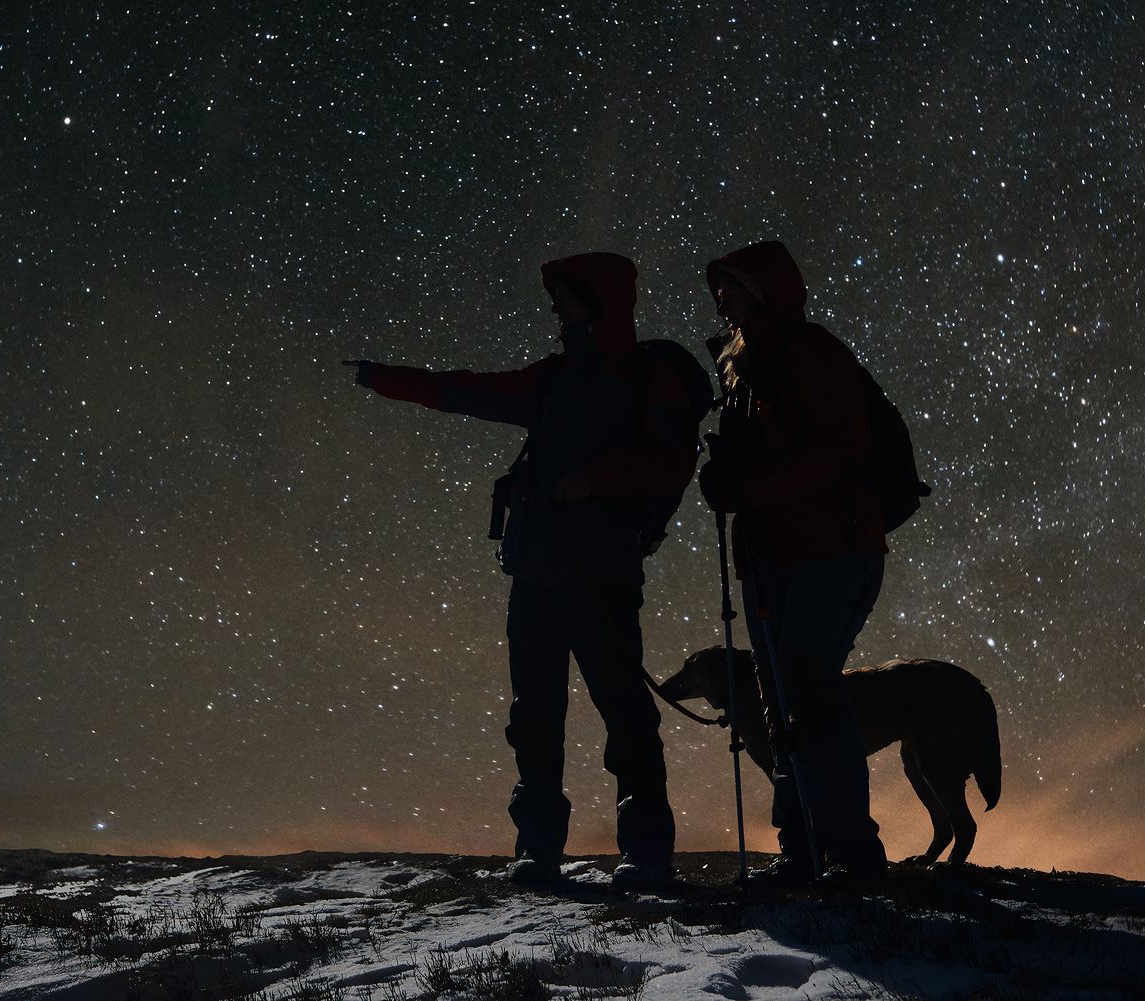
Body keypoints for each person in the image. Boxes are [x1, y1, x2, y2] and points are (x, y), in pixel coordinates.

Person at [345, 253, 697, 888]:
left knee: (622, 714)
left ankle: (643, 854)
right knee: (537, 716)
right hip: (540, 574)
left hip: (598, 576)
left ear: (600, 301)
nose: (556, 305)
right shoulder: (558, 375)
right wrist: (384, 378)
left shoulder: (642, 375)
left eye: (568, 295)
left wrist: (596, 481)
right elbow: (471, 390)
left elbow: (671, 462)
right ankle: (541, 850)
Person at [697, 240, 889, 883]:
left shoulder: (808, 352)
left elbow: (842, 446)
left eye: (731, 285)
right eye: (718, 287)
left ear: (763, 289)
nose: (719, 296)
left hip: (829, 550)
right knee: (784, 698)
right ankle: (805, 847)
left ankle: (849, 852)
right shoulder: (739, 367)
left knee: (804, 688)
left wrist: (746, 488)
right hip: (776, 556)